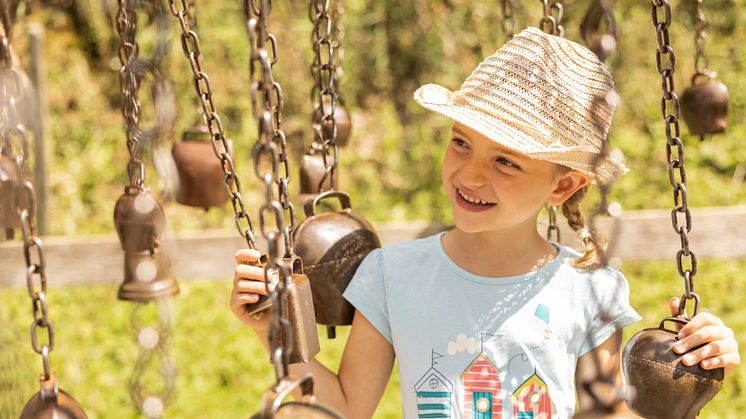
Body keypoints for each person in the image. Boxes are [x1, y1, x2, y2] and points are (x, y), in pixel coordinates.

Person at [230, 27, 740, 418]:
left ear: (563, 186)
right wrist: (275, 334)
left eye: (506, 161)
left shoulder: (589, 288)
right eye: (460, 142)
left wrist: (687, 377)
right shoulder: (392, 275)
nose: (469, 173)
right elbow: (345, 406)